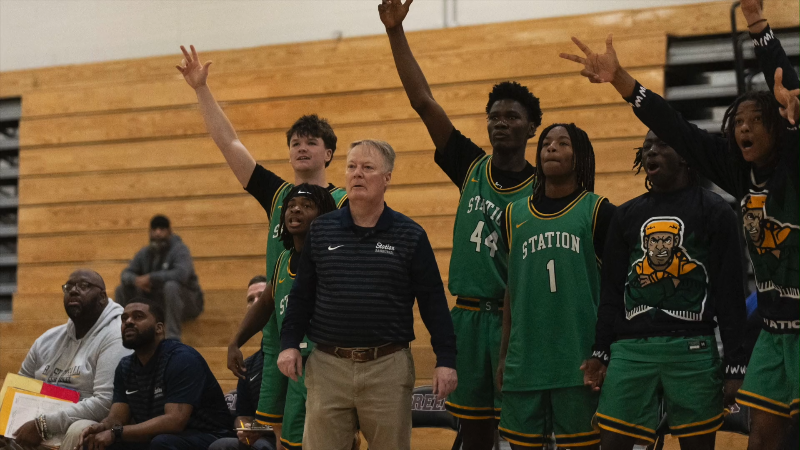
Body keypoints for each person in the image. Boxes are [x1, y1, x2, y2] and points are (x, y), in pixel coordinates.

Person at [560, 0, 797, 446]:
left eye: (755, 120)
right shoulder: (735, 171)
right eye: (737, 121)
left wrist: (757, 23)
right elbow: (674, 125)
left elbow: (790, 91)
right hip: (774, 329)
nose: (742, 128)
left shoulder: (794, 162)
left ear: (780, 129)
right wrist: (621, 81)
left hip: (768, 329)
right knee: (763, 439)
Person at [379, 2, 541, 447]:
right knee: (473, 434)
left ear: (532, 127)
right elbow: (422, 101)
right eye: (494, 116)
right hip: (468, 318)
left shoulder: (545, 191)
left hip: (519, 321)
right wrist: (396, 32)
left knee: (522, 432)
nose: (501, 123)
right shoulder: (470, 165)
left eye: (512, 117)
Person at [176, 45, 348, 449]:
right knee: (267, 436)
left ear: (329, 152)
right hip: (276, 335)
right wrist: (201, 89)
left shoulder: (344, 203)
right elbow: (229, 142)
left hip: (322, 337)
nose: (302, 147)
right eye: (295, 142)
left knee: (316, 434)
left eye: (311, 141)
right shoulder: (278, 195)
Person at [278, 140, 457, 450]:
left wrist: (446, 360)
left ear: (386, 177)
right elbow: (301, 296)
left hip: (387, 367)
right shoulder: (321, 231)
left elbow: (433, 303)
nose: (357, 174)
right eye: (351, 167)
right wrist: (289, 343)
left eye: (367, 168)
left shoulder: (410, 234)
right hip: (328, 366)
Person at [582, 131, 747, 450]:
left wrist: (736, 366)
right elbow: (612, 294)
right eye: (646, 147)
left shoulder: (715, 210)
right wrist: (601, 351)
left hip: (693, 349)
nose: (651, 152)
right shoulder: (625, 215)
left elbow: (730, 295)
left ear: (685, 153)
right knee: (612, 442)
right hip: (630, 351)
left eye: (662, 144)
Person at [498, 123, 614, 449]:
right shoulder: (514, 215)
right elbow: (512, 290)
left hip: (578, 362)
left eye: (563, 143)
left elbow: (615, 291)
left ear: (580, 157)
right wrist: (505, 354)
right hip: (525, 362)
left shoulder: (598, 211)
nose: (551, 148)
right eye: (547, 143)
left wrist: (606, 353)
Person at [246, 184, 337, 450]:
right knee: (280, 441)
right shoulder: (283, 260)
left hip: (325, 362)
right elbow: (242, 421)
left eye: (306, 206)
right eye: (291, 205)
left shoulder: (330, 259)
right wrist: (235, 340)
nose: (295, 209)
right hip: (295, 364)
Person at [79, 298, 233, 450]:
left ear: (159, 328)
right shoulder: (125, 367)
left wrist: (116, 432)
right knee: (94, 443)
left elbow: (175, 421)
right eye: (124, 318)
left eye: (138, 316)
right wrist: (103, 427)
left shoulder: (181, 359)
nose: (129, 322)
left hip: (209, 436)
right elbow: (118, 418)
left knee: (162, 442)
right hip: (157, 437)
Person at [5, 270, 131, 450]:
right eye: (68, 287)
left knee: (79, 429)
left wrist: (43, 425)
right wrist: (5, 423)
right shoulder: (48, 339)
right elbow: (18, 388)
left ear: (102, 297)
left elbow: (105, 402)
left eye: (84, 286)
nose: (73, 291)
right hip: (41, 419)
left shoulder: (116, 336)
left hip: (85, 421)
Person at [210, 276, 276, 450]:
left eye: (261, 297)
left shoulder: (293, 350)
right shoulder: (250, 363)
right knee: (220, 446)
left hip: (291, 434)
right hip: (260, 437)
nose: (255, 303)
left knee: (261, 446)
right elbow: (243, 415)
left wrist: (260, 430)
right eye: (250, 300)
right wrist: (245, 429)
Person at [115, 215, 204, 341]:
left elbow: (181, 274)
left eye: (162, 229)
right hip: (159, 303)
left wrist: (151, 278)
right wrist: (136, 280)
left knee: (171, 286)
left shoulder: (180, 250)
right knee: (122, 289)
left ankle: (173, 337)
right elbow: (125, 274)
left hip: (188, 303)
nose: (158, 232)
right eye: (154, 229)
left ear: (169, 231)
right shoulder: (145, 253)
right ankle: (120, 334)